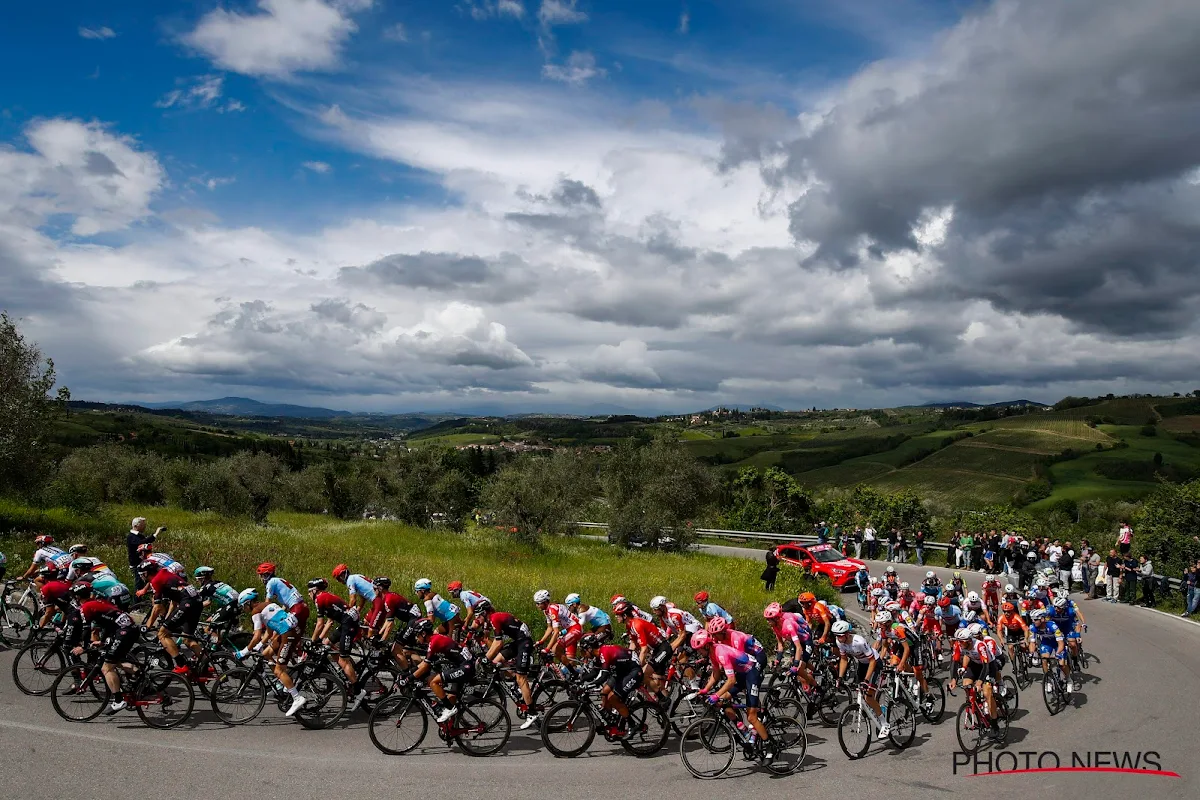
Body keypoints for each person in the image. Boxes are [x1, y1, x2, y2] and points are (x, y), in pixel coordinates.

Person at [126, 517, 163, 592]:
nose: (144, 526)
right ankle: (136, 602)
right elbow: (141, 542)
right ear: (136, 526)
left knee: (149, 582)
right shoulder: (131, 537)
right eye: (143, 525)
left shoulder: (140, 535)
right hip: (137, 564)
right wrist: (155, 534)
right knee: (139, 585)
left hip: (144, 563)